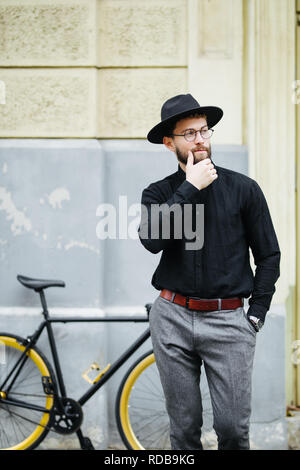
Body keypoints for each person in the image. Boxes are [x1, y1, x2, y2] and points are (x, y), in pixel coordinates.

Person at [138, 93, 280, 450]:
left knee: (232, 429)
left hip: (229, 319)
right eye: (189, 134)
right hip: (172, 317)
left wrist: (257, 314)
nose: (200, 139)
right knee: (184, 429)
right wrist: (190, 187)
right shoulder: (158, 193)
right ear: (169, 143)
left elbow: (269, 255)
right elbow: (152, 240)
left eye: (205, 131)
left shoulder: (243, 189)